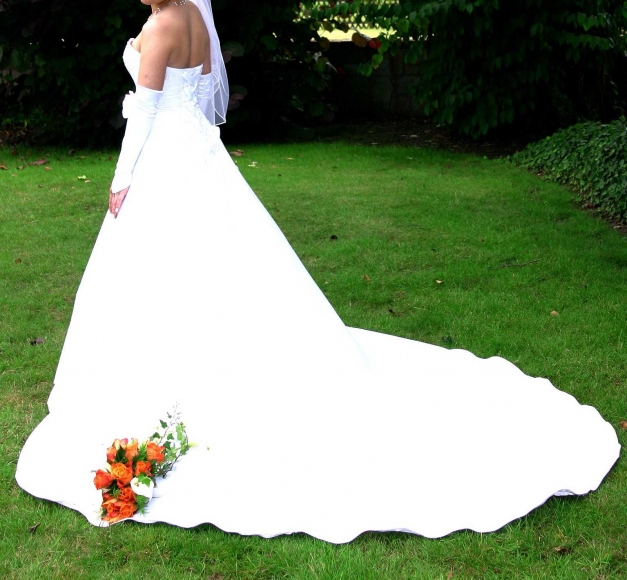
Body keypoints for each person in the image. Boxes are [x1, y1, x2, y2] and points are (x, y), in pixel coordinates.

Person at [15, 0, 620, 544]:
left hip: (164, 162)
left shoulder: (163, 25)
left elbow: (145, 114)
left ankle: (181, 380)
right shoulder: (195, 17)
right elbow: (200, 95)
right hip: (196, 153)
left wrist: (122, 182)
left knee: (166, 282)